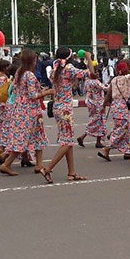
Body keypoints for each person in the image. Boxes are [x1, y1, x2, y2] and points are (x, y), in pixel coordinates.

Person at [38, 47, 94, 183]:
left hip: (58, 107)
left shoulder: (55, 70)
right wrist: (88, 58)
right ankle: (48, 168)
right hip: (65, 109)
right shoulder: (68, 68)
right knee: (67, 141)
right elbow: (92, 74)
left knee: (67, 141)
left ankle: (71, 172)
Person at [0, 50, 51, 176]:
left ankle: (39, 164)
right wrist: (47, 92)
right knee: (22, 139)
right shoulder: (30, 75)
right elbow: (33, 95)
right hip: (29, 110)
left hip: (21, 107)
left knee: (38, 136)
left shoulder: (19, 72)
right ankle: (6, 164)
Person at [99, 60, 130, 162]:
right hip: (122, 107)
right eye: (127, 67)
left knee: (127, 129)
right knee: (122, 128)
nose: (129, 69)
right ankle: (107, 148)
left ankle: (128, 151)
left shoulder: (114, 80)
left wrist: (103, 106)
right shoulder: (126, 78)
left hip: (115, 106)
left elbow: (109, 94)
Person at [77, 64, 109, 148]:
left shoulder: (87, 81)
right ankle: (83, 136)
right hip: (97, 103)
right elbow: (105, 88)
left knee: (97, 121)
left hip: (90, 103)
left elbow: (84, 91)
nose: (98, 74)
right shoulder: (96, 82)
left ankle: (98, 141)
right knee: (98, 121)